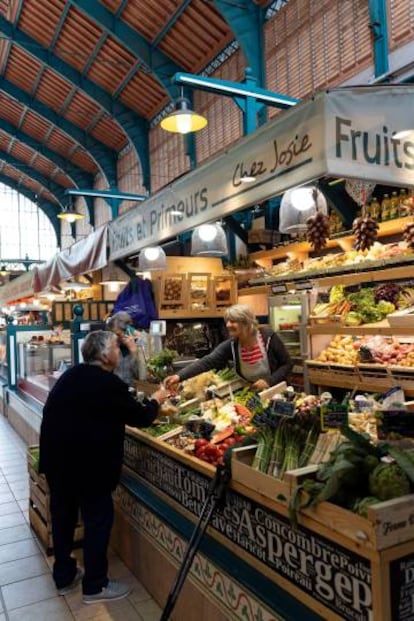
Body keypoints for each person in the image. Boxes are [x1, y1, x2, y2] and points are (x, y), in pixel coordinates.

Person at [39, 330, 169, 604]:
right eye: (115, 347)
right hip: (89, 470)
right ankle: (95, 586)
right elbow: (142, 416)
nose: (119, 352)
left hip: (57, 463)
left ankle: (64, 577)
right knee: (97, 521)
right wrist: (158, 397)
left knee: (62, 518)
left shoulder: (72, 375)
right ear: (104, 354)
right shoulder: (107, 385)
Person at [165, 304, 292, 392]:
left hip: (277, 391)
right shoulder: (232, 345)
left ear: (246, 322)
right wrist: (179, 376)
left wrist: (269, 381)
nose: (228, 325)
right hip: (253, 393)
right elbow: (208, 361)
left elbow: (287, 364)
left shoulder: (268, 337)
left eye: (233, 321)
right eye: (227, 321)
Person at [106, 311, 143, 387]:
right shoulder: (115, 344)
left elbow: (140, 375)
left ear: (127, 331)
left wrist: (133, 351)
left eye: (117, 334)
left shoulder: (142, 342)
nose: (114, 338)